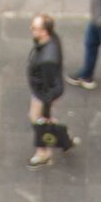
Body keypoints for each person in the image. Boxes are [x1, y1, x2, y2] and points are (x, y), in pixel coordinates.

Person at [27, 14, 73, 166]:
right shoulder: (52, 39)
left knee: (37, 120)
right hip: (42, 89)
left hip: (41, 93)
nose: (31, 29)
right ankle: (64, 139)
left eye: (34, 28)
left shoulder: (48, 59)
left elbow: (49, 88)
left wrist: (45, 111)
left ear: (44, 32)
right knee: (44, 120)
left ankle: (43, 153)